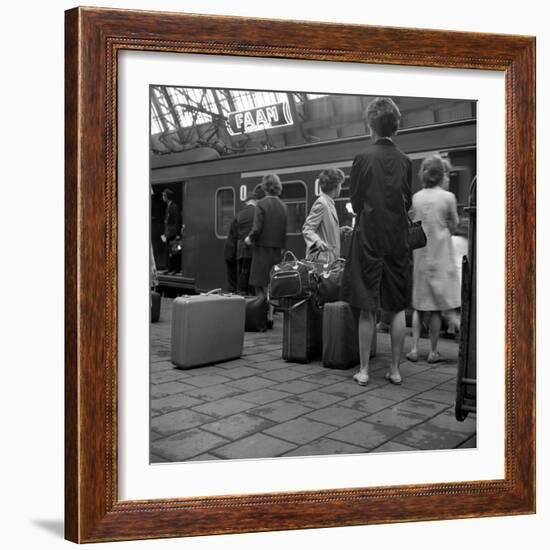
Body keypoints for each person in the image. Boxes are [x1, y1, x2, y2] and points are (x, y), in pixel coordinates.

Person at [340, 97, 412, 386]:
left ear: (370, 124)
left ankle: (364, 370)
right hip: (397, 238)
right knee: (395, 307)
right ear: (395, 126)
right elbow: (406, 201)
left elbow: (355, 201)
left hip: (368, 236)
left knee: (367, 305)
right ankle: (395, 370)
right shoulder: (406, 161)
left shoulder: (362, 158)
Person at [406, 155, 460, 363]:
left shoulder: (417, 197)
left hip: (420, 255)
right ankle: (433, 351)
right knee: (436, 307)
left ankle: (413, 348)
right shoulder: (448, 197)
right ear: (441, 174)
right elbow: (454, 224)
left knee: (420, 305)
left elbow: (413, 222)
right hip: (440, 255)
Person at [244, 174, 288, 328]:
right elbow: (284, 232)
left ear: (265, 187)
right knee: (272, 285)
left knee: (258, 283)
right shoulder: (283, 206)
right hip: (277, 251)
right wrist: (281, 248)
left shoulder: (261, 204)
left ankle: (260, 316)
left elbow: (257, 228)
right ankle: (270, 317)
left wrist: (249, 239)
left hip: (262, 249)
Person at [302, 168, 345, 264]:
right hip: (321, 261)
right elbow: (307, 229)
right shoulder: (322, 203)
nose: (341, 188)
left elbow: (325, 232)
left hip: (329, 260)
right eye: (340, 184)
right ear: (335, 186)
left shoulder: (329, 204)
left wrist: (340, 231)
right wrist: (317, 242)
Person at [236, 184, 266, 293]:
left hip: (241, 250)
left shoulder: (240, 214)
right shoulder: (256, 213)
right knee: (251, 275)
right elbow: (257, 229)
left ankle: (241, 295)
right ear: (255, 200)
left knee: (242, 274)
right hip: (252, 249)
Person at [160, 189, 181, 274]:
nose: (162, 197)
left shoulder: (174, 207)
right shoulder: (168, 207)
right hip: (168, 233)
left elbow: (177, 221)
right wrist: (165, 234)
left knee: (175, 251)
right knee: (169, 252)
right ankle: (169, 268)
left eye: (164, 195)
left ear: (167, 196)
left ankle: (176, 269)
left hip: (173, 233)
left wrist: (177, 234)